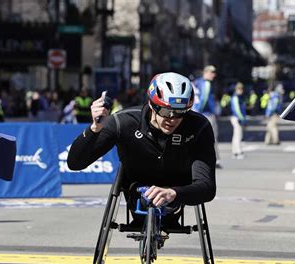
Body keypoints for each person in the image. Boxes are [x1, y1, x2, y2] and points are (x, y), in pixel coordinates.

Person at [67, 72, 216, 226]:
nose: (172, 119)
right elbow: (75, 163)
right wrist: (94, 129)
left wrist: (173, 193)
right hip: (137, 191)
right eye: (166, 111)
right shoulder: (123, 122)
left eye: (180, 113)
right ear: (152, 104)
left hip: (175, 194)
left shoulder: (199, 127)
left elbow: (207, 187)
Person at [192, 65, 222, 168]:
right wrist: (199, 111)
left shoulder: (196, 82)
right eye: (212, 72)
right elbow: (203, 99)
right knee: (213, 137)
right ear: (206, 72)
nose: (214, 75)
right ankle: (215, 160)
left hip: (197, 113)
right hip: (206, 114)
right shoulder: (206, 83)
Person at [230, 82, 247, 159]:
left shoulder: (239, 97)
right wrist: (242, 119)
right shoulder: (235, 97)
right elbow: (237, 110)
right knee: (238, 136)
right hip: (236, 118)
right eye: (239, 89)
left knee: (236, 135)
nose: (241, 90)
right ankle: (238, 152)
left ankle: (234, 152)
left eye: (241, 89)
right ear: (236, 89)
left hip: (237, 117)